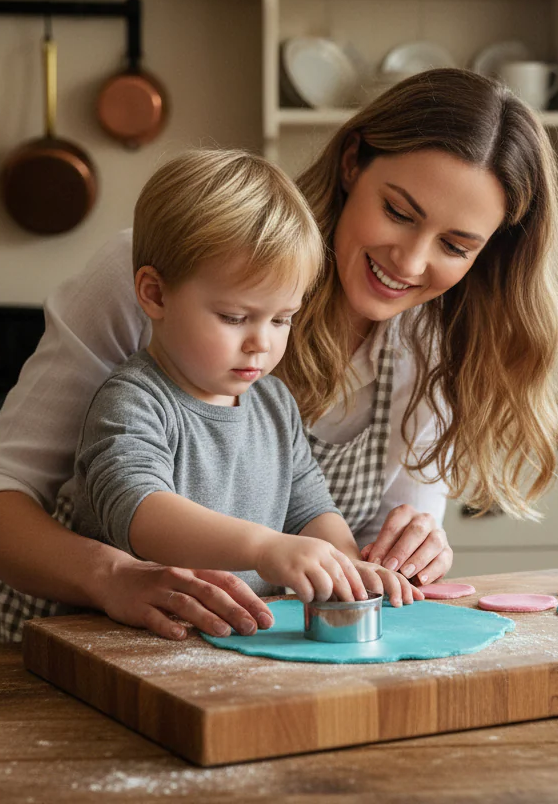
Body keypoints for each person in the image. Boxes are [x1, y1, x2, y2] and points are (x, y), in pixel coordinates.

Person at [0, 68, 558, 643]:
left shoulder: (432, 348)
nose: (410, 262)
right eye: (398, 211)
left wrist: (405, 552)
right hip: (58, 646)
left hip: (234, 656)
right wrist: (113, 577)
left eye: (456, 246)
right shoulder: (167, 270)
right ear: (352, 162)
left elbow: (336, 536)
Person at [66, 149, 415, 624]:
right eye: (234, 317)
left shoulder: (274, 403)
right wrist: (263, 547)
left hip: (239, 640)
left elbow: (310, 508)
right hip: (133, 642)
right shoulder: (134, 401)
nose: (261, 343)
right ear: (155, 294)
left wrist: (348, 564)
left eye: (282, 319)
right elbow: (140, 512)